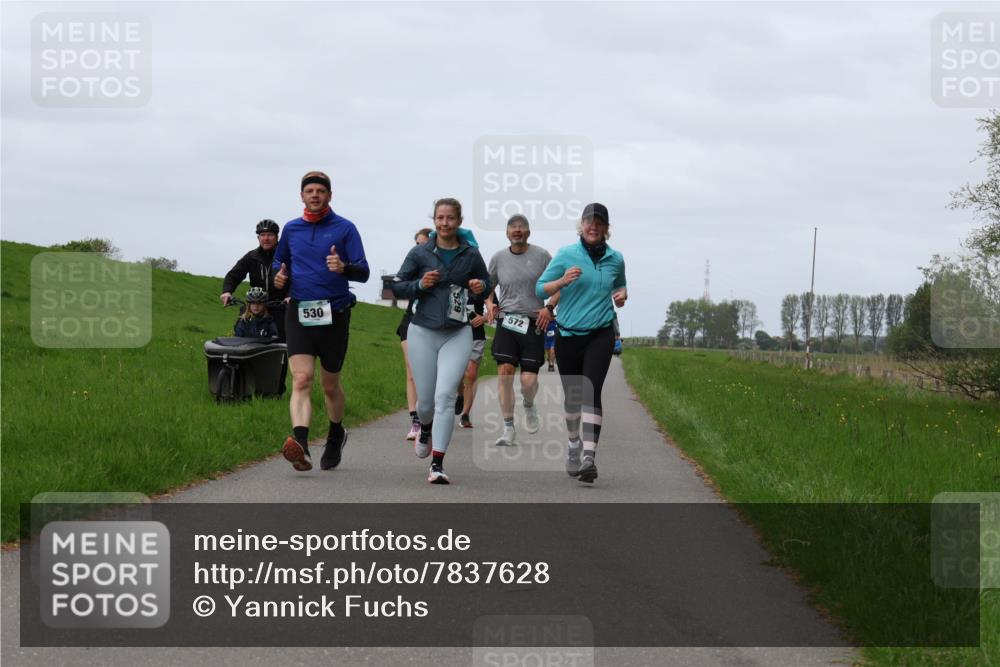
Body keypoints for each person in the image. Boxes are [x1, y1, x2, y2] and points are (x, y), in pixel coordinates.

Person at [273, 171, 369, 472]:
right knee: (301, 379)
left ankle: (336, 432)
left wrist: (343, 267)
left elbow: (364, 271)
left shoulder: (345, 228)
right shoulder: (291, 229)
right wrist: (279, 277)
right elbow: (279, 263)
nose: (315, 195)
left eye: (320, 191)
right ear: (302, 196)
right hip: (299, 311)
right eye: (309, 191)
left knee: (329, 385)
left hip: (334, 314)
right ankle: (300, 445)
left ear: (329, 195)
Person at [392, 198, 489, 484]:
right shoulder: (420, 252)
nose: (445, 223)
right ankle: (425, 427)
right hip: (422, 331)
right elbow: (397, 287)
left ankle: (437, 464)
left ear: (459, 221)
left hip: (458, 332)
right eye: (440, 218)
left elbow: (486, 286)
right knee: (426, 402)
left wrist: (480, 286)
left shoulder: (470, 254)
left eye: (450, 218)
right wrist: (420, 284)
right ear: (434, 220)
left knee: (445, 397)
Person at [536, 202, 627, 483]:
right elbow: (540, 288)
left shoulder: (616, 259)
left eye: (599, 223)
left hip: (600, 333)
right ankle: (574, 443)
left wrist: (622, 295)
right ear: (582, 225)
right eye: (589, 222)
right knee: (574, 398)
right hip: (568, 335)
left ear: (607, 228)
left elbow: (620, 285)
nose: (594, 227)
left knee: (591, 391)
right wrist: (561, 281)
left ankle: (589, 457)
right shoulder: (566, 254)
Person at [484, 214, 558, 446]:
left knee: (528, 381)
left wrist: (549, 307)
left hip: (535, 322)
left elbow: (559, 285)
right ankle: (508, 428)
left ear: (528, 232)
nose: (517, 230)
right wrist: (489, 304)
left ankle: (529, 403)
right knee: (505, 372)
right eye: (512, 227)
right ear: (507, 233)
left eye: (521, 227)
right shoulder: (498, 258)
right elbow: (488, 287)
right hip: (507, 320)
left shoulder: (542, 256)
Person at [221, 219, 289, 342]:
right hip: (256, 303)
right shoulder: (251, 257)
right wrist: (227, 291)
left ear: (277, 237)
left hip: (280, 305)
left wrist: (290, 296)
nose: (266, 238)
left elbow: (298, 277)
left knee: (282, 338)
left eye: (270, 235)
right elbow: (234, 275)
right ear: (258, 238)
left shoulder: (286, 256)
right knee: (241, 331)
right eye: (263, 235)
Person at [398, 228, 433, 440]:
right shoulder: (411, 265)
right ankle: (415, 420)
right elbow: (399, 286)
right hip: (411, 319)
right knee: (411, 369)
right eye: (417, 243)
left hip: (435, 324)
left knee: (430, 374)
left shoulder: (441, 266)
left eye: (424, 243)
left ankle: (430, 414)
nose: (420, 247)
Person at [455, 297, 487, 429]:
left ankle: (465, 415)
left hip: (476, 335)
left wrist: (483, 318)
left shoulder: (482, 286)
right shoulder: (453, 285)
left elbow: (496, 309)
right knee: (457, 374)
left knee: (471, 373)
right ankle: (461, 395)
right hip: (455, 334)